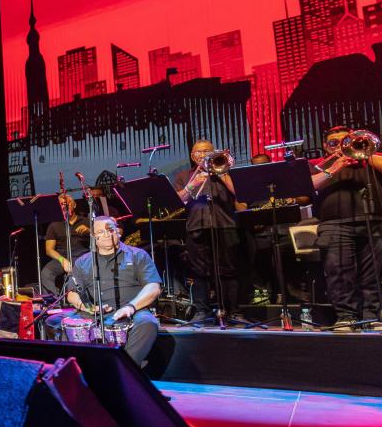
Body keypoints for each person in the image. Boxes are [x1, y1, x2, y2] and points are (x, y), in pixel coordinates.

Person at [309, 126, 382, 331]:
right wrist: (335, 166)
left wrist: (364, 153)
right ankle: (346, 316)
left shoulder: (371, 156)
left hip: (374, 221)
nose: (341, 146)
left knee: (373, 273)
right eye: (334, 143)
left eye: (346, 141)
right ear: (325, 146)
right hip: (334, 224)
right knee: (339, 274)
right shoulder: (318, 164)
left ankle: (373, 315)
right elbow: (307, 188)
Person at [63, 216, 161, 365]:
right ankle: (79, 374)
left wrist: (131, 306)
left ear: (118, 231)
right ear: (93, 237)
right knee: (65, 324)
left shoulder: (138, 255)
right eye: (101, 232)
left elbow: (154, 287)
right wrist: (88, 307)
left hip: (133, 309)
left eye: (110, 230)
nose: (107, 235)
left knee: (148, 323)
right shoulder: (83, 261)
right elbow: (72, 293)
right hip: (94, 310)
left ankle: (124, 369)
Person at [173, 140, 243, 325]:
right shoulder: (183, 176)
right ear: (192, 156)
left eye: (206, 151)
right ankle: (202, 311)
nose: (202, 155)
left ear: (214, 153)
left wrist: (223, 173)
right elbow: (177, 201)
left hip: (225, 225)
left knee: (229, 270)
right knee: (198, 272)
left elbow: (241, 193)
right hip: (196, 226)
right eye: (198, 152)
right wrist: (192, 185)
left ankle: (233, 311)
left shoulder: (225, 171)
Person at [40, 193, 89, 295]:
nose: (64, 206)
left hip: (83, 257)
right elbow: (49, 250)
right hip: (62, 257)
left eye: (67, 203)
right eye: (61, 204)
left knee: (80, 273)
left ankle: (83, 299)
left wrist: (90, 231)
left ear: (74, 205)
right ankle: (57, 300)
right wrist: (62, 260)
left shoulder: (86, 221)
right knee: (46, 273)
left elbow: (99, 238)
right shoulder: (54, 225)